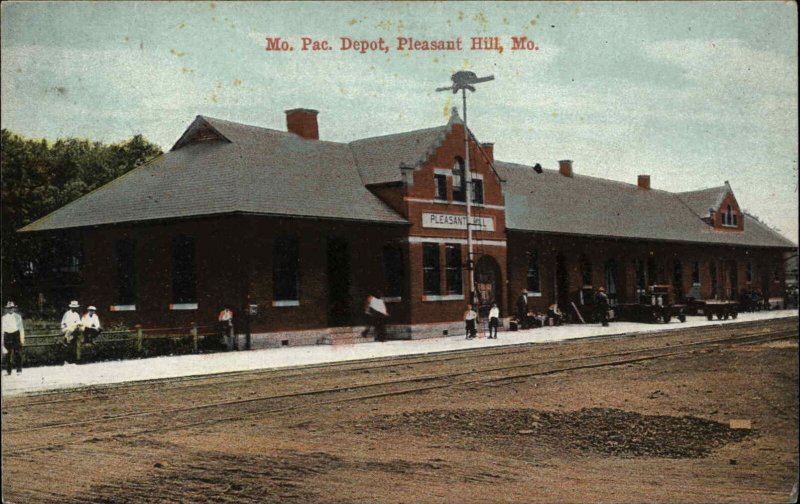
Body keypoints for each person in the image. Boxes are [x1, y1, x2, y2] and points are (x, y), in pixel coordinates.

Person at [2, 301, 25, 375]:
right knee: (7, 354)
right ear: (7, 309)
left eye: (12, 308)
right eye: (9, 308)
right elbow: (2, 328)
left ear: (14, 308)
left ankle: (19, 370)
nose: (10, 309)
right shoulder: (4, 318)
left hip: (15, 335)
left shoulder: (18, 316)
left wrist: (22, 338)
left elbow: (21, 328)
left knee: (17, 353)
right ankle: (8, 371)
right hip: (7, 335)